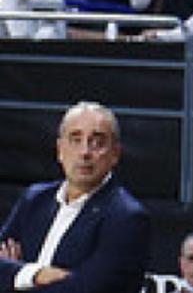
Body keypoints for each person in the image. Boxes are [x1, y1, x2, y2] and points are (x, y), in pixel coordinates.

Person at [0, 101, 151, 293]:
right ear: (60, 150)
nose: (85, 152)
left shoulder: (127, 217)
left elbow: (87, 289)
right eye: (75, 139)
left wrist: (15, 278)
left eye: (97, 142)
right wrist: (37, 274)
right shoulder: (34, 199)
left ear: (115, 154)